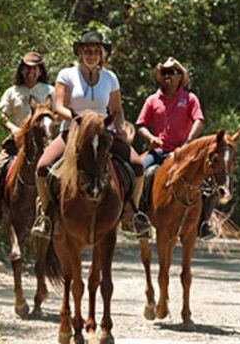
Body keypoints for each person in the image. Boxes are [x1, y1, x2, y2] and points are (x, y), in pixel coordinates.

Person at [31, 30, 150, 240]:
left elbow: (116, 108)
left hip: (104, 133)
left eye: (96, 51)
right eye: (87, 50)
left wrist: (120, 127)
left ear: (102, 54)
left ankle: (133, 213)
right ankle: (46, 216)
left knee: (137, 165)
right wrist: (78, 118)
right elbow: (59, 105)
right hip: (74, 131)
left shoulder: (110, 78)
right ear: (80, 52)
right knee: (42, 167)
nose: (92, 54)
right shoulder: (66, 75)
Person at [136, 57, 216, 240]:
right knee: (141, 171)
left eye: (172, 72)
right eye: (164, 72)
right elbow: (140, 124)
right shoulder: (152, 100)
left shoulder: (189, 98)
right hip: (158, 151)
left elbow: (199, 120)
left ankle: (203, 222)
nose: (168, 76)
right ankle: (140, 216)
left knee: (208, 179)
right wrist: (151, 138)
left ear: (180, 76)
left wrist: (189, 141)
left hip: (183, 153)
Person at [0, 51, 54, 231]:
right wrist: (14, 129)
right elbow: (0, 113)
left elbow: (58, 112)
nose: (31, 73)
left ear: (40, 71)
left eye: (35, 69)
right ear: (21, 71)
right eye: (27, 69)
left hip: (45, 143)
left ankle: (60, 215)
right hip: (17, 143)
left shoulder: (49, 91)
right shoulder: (12, 92)